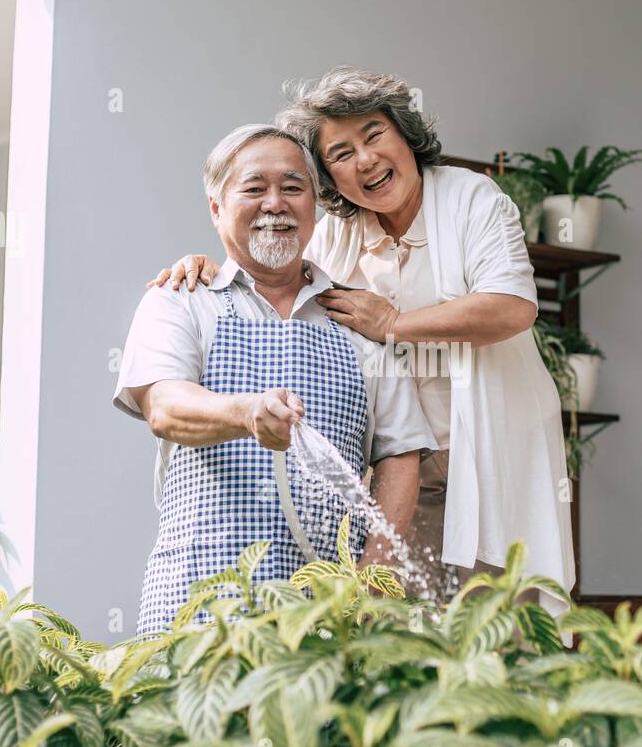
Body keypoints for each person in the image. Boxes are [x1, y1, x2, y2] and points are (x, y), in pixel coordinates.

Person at [146, 67, 574, 622]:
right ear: (328, 178)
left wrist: (394, 322)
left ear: (405, 134)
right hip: (404, 463)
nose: (365, 160)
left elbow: (511, 306)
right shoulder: (338, 231)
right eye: (340, 154)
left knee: (497, 623)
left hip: (488, 451)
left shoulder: (471, 197)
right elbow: (278, 265)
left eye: (374, 135)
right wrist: (203, 266)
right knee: (408, 629)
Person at [113, 124, 435, 637]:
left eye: (292, 187)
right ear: (216, 208)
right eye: (253, 187)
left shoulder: (358, 319)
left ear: (315, 205)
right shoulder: (179, 300)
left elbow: (400, 455)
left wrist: (371, 584)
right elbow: (165, 407)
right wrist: (245, 414)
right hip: (201, 603)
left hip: (329, 615)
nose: (275, 203)